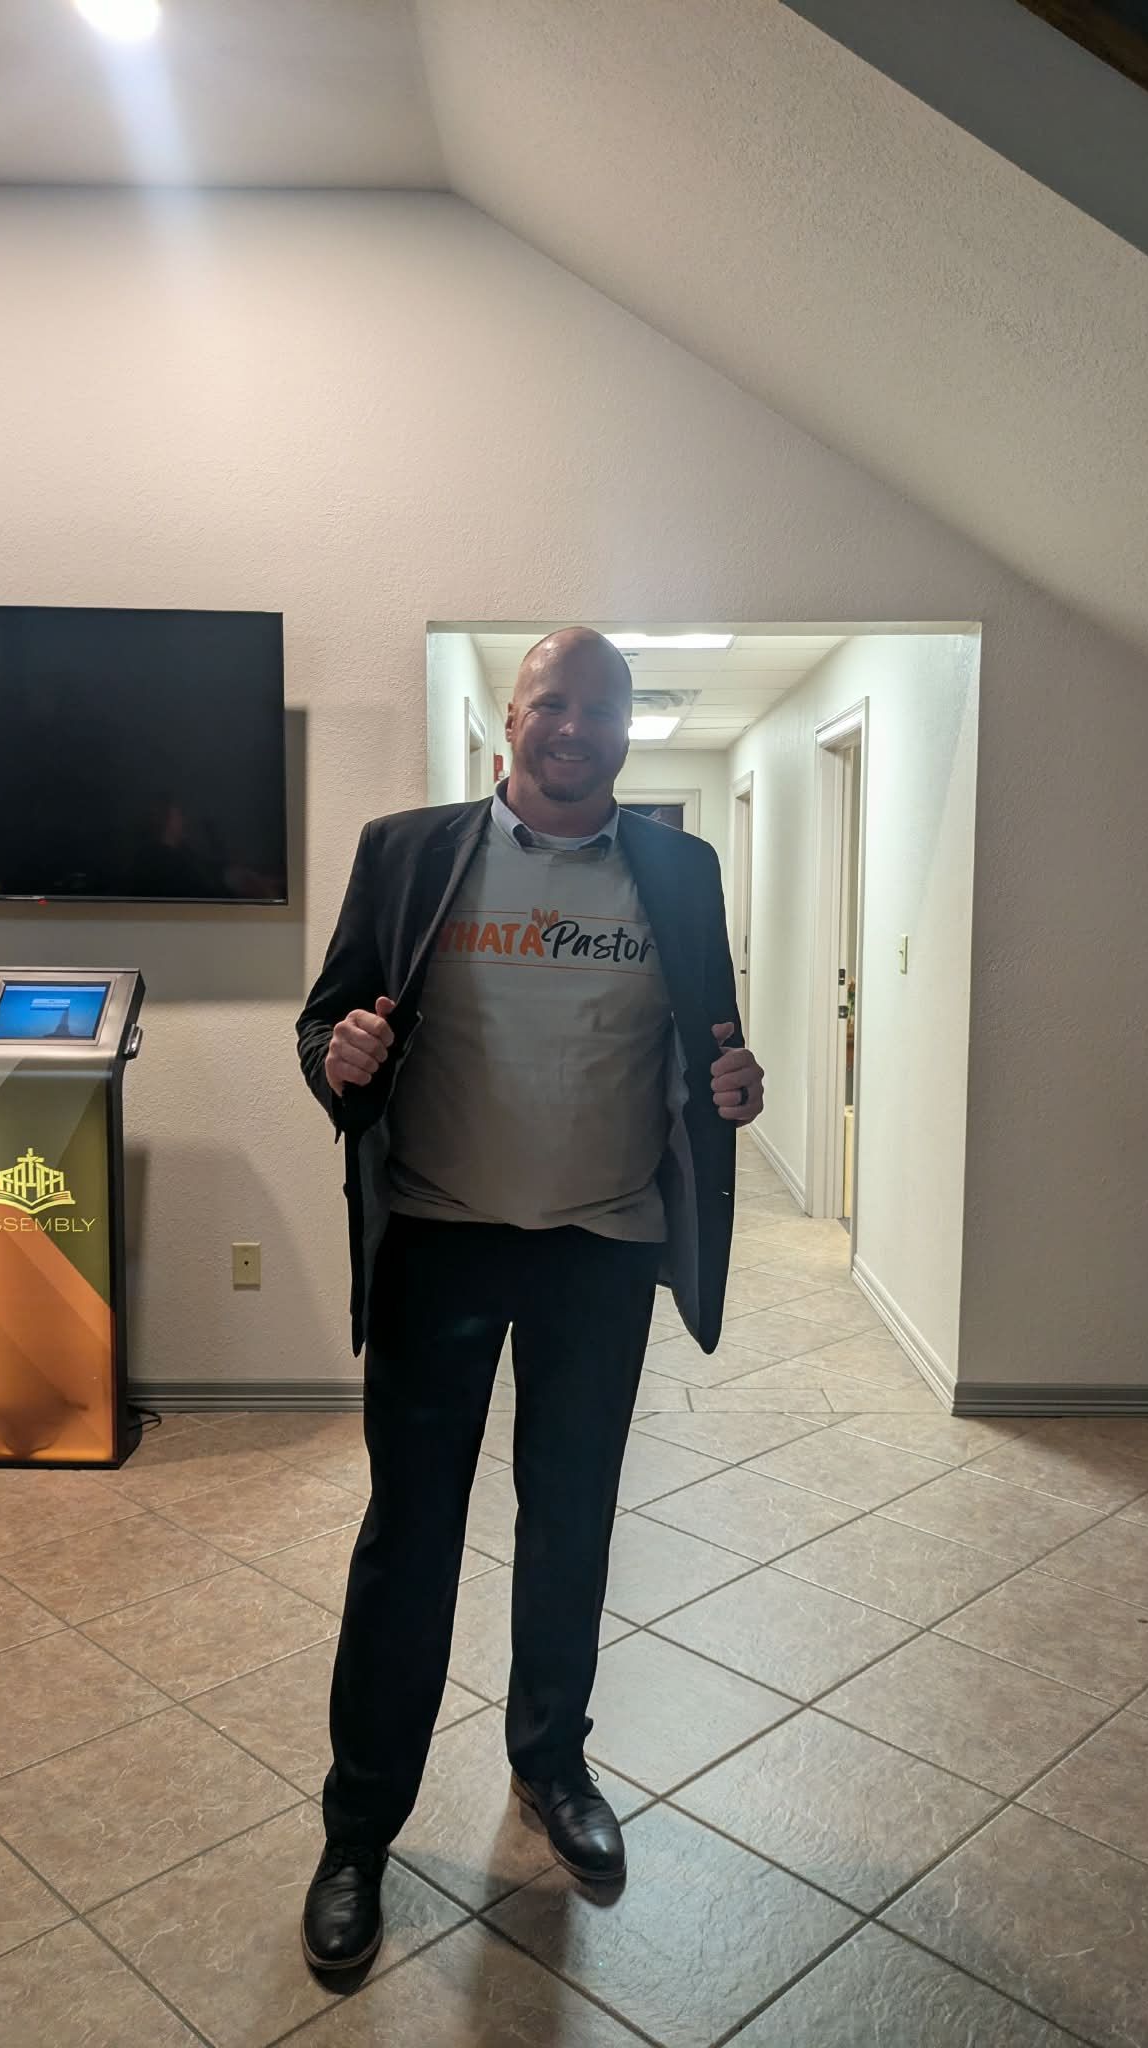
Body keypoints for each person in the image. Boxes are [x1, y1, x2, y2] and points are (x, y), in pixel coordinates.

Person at [294, 627, 764, 1971]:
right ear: (511, 720)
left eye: (598, 707)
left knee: (570, 1525)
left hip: (599, 1250)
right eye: (550, 701)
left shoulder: (678, 869)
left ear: (625, 728)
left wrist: (734, 1094)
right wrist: (342, 1055)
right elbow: (324, 1029)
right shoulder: (411, 851)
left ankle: (551, 1766)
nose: (573, 725)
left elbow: (711, 1045)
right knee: (409, 1541)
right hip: (438, 1241)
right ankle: (359, 1826)